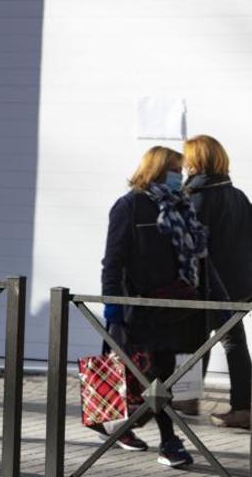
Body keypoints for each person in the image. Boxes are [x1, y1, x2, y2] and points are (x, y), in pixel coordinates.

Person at [100, 146, 208, 468]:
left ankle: (127, 427)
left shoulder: (182, 206)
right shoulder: (129, 207)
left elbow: (198, 259)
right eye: (176, 170)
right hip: (143, 308)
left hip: (179, 306)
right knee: (157, 376)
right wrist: (113, 310)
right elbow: (113, 263)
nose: (181, 177)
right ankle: (170, 442)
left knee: (163, 377)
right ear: (159, 170)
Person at [184, 135, 252, 429]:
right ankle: (240, 407)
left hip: (212, 287)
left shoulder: (197, 197)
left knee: (199, 338)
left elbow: (191, 246)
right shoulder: (237, 196)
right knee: (229, 341)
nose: (183, 163)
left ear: (197, 161)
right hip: (240, 286)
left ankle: (190, 399)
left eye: (187, 157)